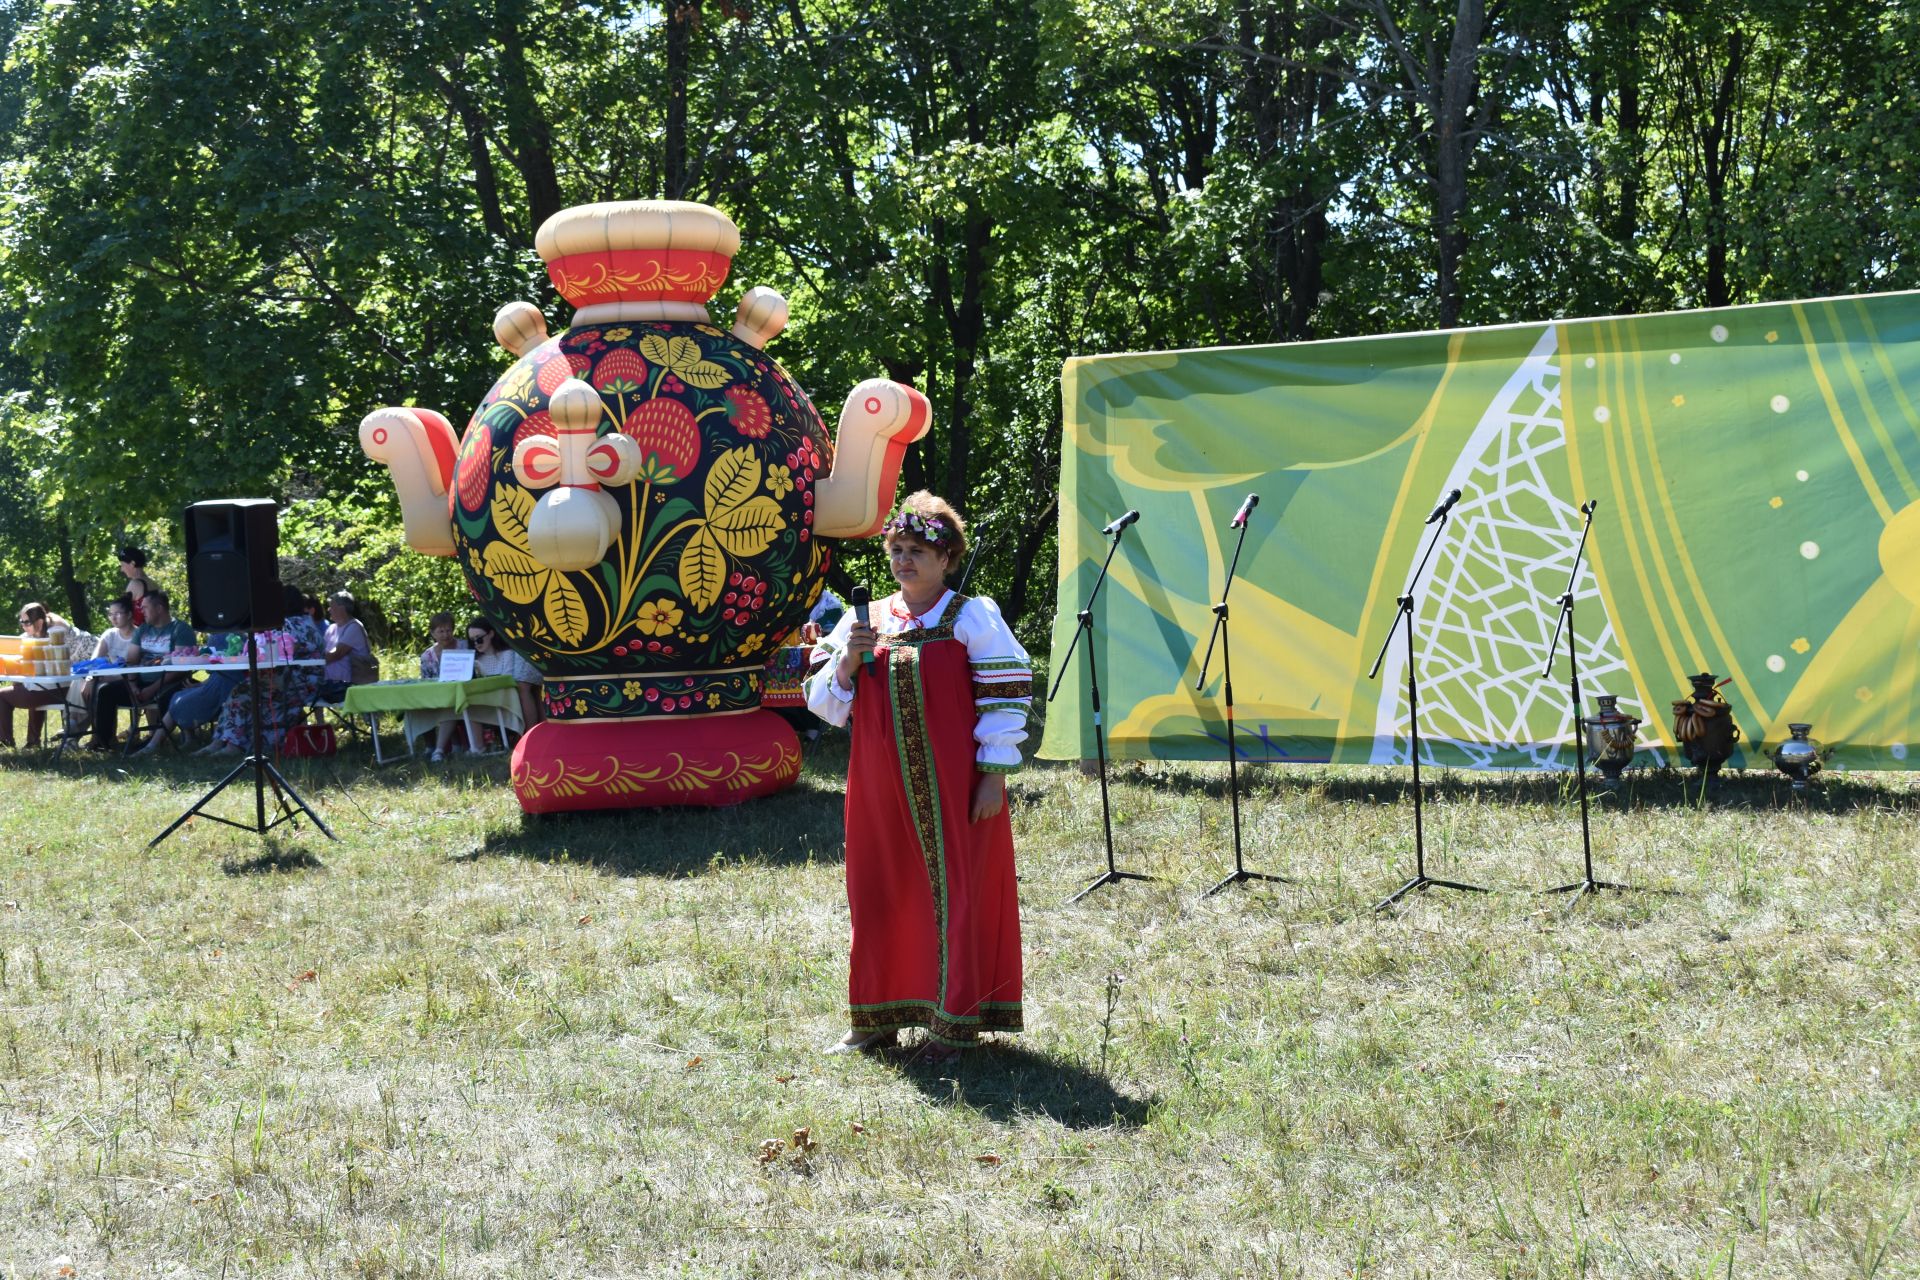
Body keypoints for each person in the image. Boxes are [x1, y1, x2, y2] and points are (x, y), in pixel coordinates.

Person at [803, 491, 1031, 1058]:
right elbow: (821, 703)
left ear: (947, 558)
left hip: (954, 783)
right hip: (878, 783)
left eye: (919, 550)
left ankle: (952, 1026)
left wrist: (993, 775)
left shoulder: (971, 616)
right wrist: (850, 658)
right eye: (897, 549)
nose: (905, 560)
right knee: (877, 890)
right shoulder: (867, 619)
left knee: (952, 890)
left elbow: (1007, 695)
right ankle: (874, 1022)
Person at [200, 584, 325, 756]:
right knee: (241, 692)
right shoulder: (304, 622)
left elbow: (283, 651)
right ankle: (222, 741)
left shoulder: (290, 625)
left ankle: (231, 744)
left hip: (298, 683)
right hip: (296, 680)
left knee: (241, 694)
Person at [89, 588, 194, 751]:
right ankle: (103, 743)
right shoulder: (144, 630)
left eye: (145, 607)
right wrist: (132, 685)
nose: (141, 611)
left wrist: (152, 689)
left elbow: (181, 669)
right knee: (106, 692)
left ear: (159, 608)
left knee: (170, 697)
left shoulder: (180, 629)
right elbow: (131, 661)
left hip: (170, 682)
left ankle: (156, 743)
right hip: (141, 683)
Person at [460, 617, 541, 755]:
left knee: (523, 689)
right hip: (488, 698)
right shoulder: (475, 660)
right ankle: (477, 746)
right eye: (472, 641)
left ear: (491, 634)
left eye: (479, 638)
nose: (476, 643)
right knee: (467, 703)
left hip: (504, 696)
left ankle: (529, 735)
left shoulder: (507, 654)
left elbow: (506, 679)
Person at [2, 602, 74, 749]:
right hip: (57, 690)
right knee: (29, 689)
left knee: (2, 695)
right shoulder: (27, 638)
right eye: (21, 621)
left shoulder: (54, 638)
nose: (23, 625)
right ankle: (32, 741)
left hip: (56, 689)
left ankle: (6, 741)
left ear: (39, 622)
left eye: (26, 622)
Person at [319, 591, 373, 702]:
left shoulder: (354, 627)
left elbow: (336, 654)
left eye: (331, 606)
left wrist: (313, 660)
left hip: (349, 686)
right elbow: (322, 651)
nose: (328, 610)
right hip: (331, 684)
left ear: (341, 608)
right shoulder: (332, 628)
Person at [116, 546, 159, 626]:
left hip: (141, 635)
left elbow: (122, 616)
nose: (122, 569)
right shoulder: (154, 584)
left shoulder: (135, 584)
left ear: (132, 564)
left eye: (122, 565)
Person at [418, 612, 465, 680]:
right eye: (441, 631)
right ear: (432, 633)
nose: (445, 635)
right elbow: (425, 682)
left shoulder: (465, 647)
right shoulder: (427, 657)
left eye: (448, 630)